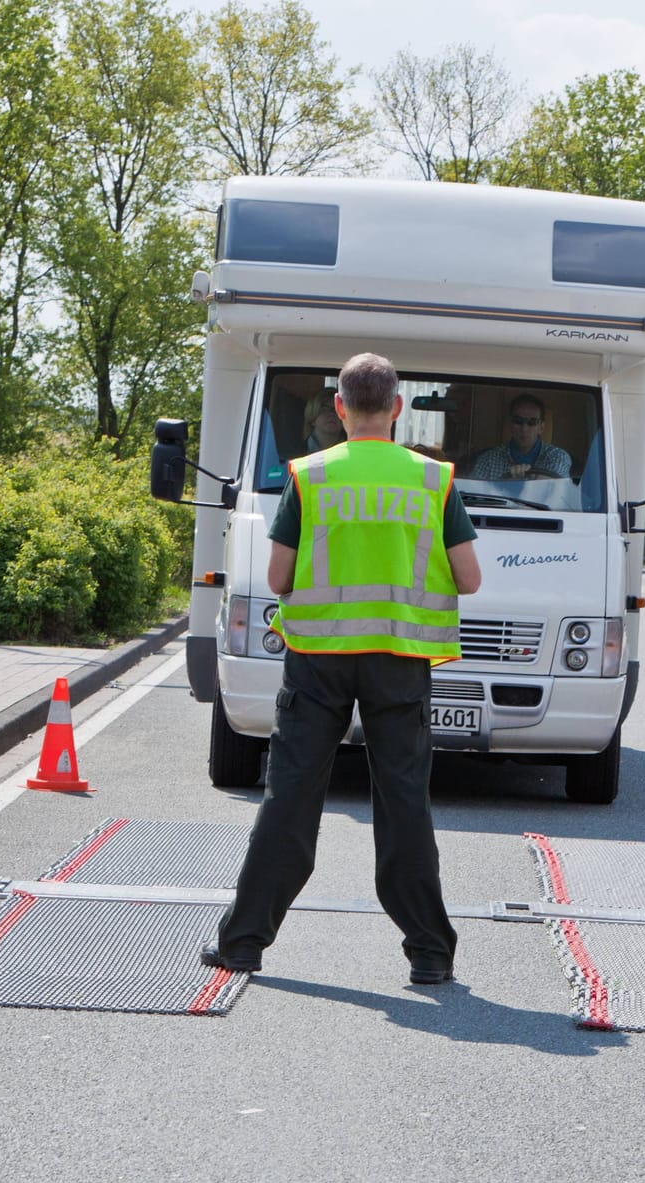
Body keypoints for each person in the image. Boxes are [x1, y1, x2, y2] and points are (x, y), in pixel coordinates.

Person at [201, 352, 484, 985]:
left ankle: (244, 942)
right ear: (398, 409)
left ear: (338, 408)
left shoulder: (311, 476)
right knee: (404, 802)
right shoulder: (432, 480)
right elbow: (468, 577)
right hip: (399, 662)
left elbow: (277, 577)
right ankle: (430, 953)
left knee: (291, 799)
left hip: (318, 662)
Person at [468, 394, 572, 480]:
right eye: (518, 421)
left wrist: (531, 477)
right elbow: (472, 494)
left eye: (532, 422)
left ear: (541, 427)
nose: (524, 429)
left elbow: (558, 492)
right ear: (510, 424)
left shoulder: (558, 457)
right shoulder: (488, 460)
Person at [301, 389, 347, 453]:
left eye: (336, 409)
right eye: (324, 409)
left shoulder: (355, 451)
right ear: (312, 414)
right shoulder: (293, 452)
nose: (332, 414)